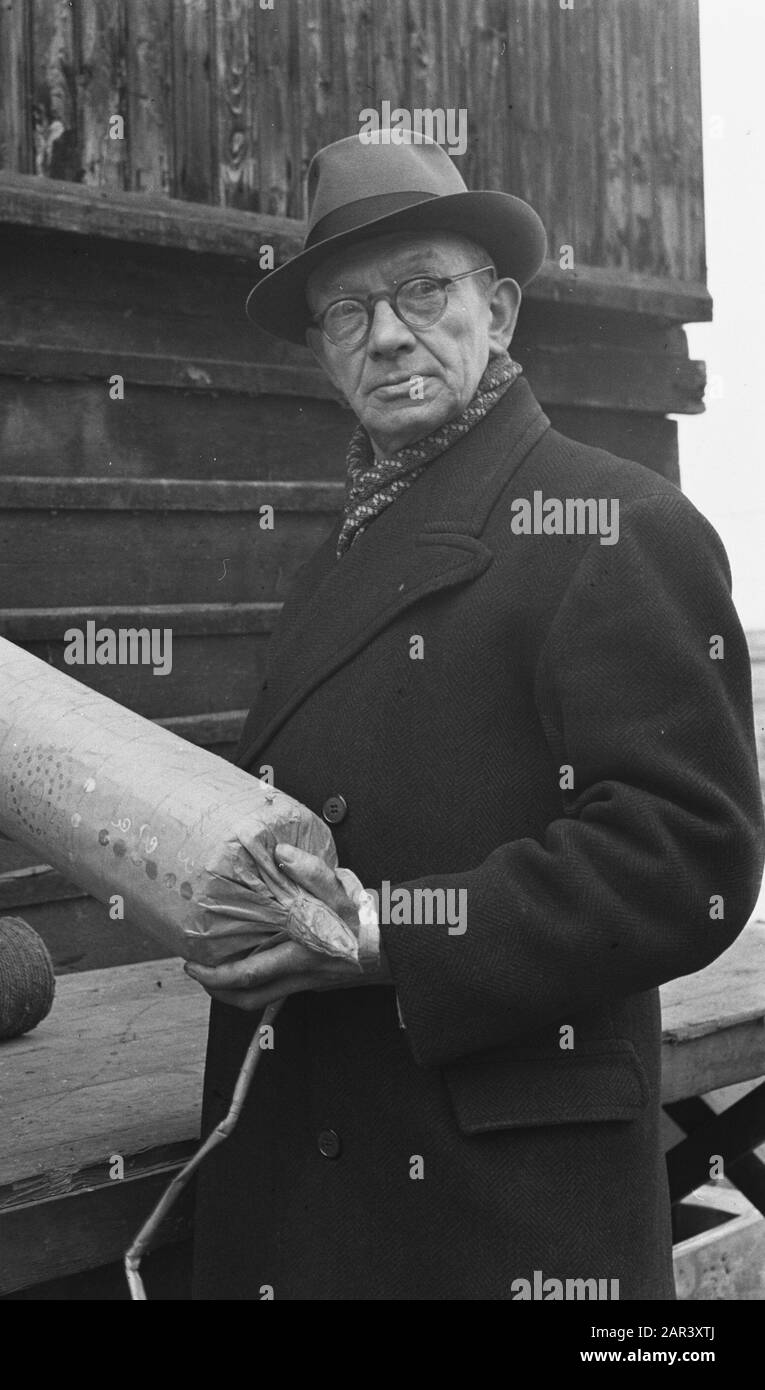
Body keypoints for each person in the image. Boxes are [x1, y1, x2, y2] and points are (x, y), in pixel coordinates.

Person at [183, 130, 765, 1300]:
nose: (389, 334)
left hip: (496, 1216)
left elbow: (687, 857)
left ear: (497, 310)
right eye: (348, 313)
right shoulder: (336, 562)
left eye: (422, 291)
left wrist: (393, 932)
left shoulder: (612, 522)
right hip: (310, 1191)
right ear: (323, 354)